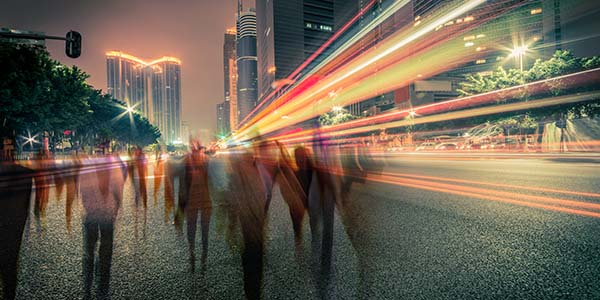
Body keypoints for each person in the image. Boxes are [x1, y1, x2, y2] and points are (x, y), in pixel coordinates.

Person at [80, 154, 127, 299]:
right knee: (106, 247)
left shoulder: (87, 166)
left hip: (92, 214)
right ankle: (102, 281)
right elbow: (119, 191)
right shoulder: (114, 167)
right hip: (107, 213)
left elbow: (83, 191)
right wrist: (116, 209)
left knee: (89, 247)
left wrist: (88, 208)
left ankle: (88, 282)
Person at [0, 156, 33, 300]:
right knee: (10, 269)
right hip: (13, 228)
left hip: (12, 226)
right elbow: (24, 208)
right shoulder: (24, 173)